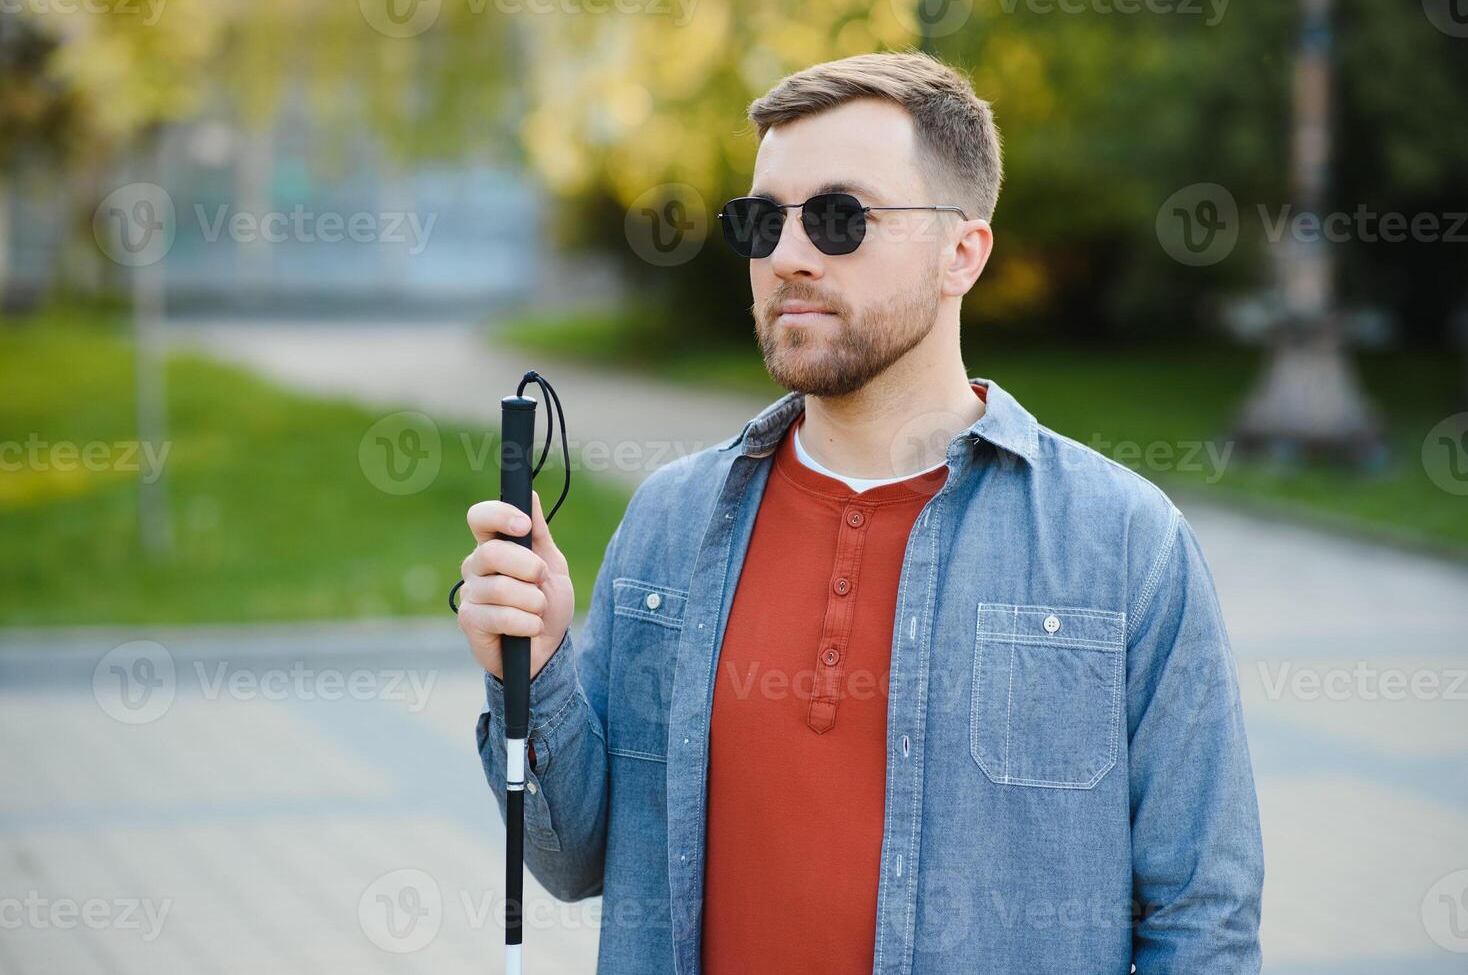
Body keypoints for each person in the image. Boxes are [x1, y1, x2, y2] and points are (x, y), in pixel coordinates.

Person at [459, 50, 1264, 975]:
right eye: (762, 222)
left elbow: (1204, 916)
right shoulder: (670, 523)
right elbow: (571, 860)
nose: (788, 256)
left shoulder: (1122, 545)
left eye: (840, 218)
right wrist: (539, 663)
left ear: (963, 252)